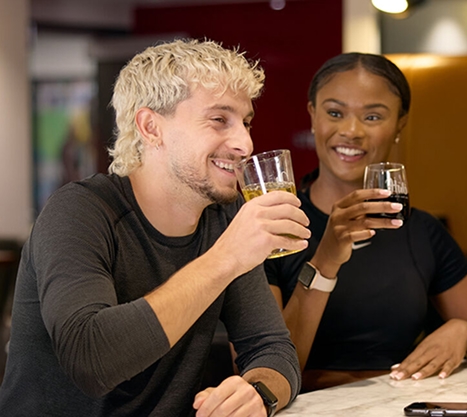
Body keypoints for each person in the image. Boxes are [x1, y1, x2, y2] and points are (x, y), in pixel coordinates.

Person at [0, 39, 312, 416]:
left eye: (245, 122)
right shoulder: (79, 211)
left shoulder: (222, 219)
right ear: (151, 127)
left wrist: (258, 392)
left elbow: (273, 348)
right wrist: (226, 258)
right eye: (219, 119)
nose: (245, 142)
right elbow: (91, 361)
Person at [264, 53, 467, 391]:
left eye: (372, 116)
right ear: (312, 115)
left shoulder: (422, 231)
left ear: (400, 124)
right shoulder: (270, 228)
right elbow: (261, 375)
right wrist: (325, 260)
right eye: (335, 113)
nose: (351, 131)